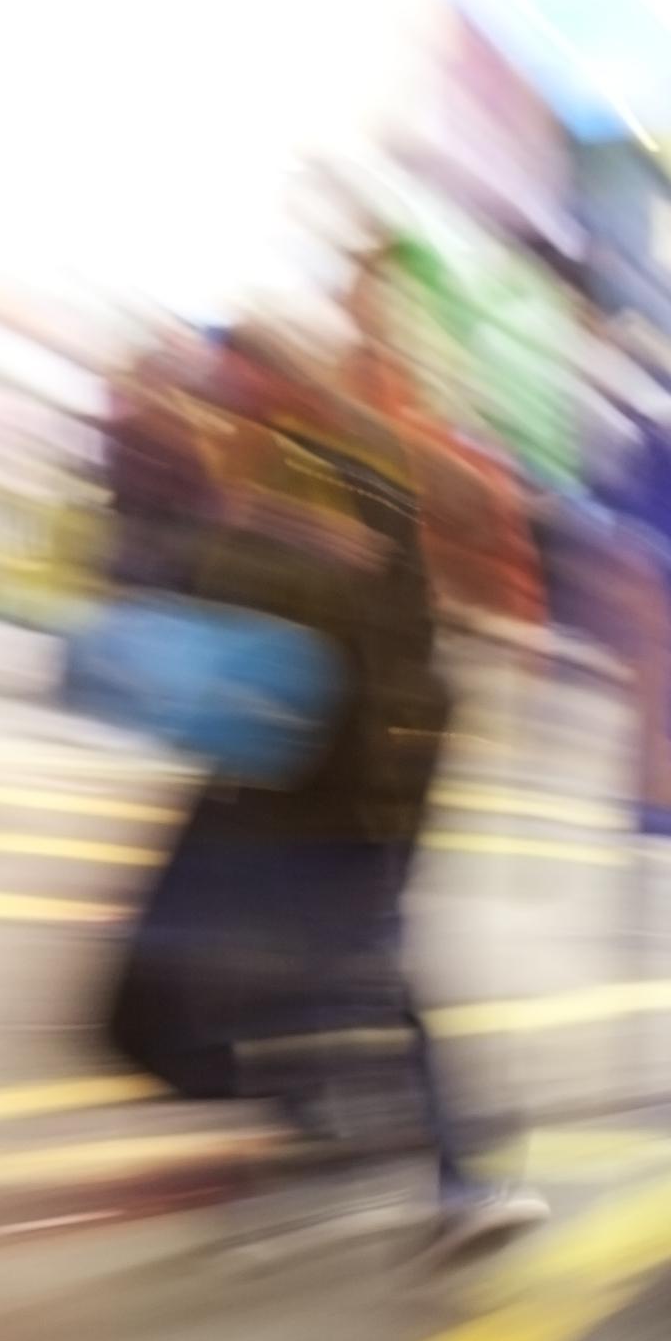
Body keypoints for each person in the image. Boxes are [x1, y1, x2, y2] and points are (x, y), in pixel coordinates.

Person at [103, 329, 543, 1258]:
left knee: (351, 974)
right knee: (299, 976)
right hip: (296, 782)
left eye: (238, 381)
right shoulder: (267, 473)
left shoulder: (334, 472)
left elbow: (356, 614)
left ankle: (436, 1171)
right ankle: (345, 1144)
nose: (222, 397)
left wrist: (255, 528)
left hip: (334, 788)